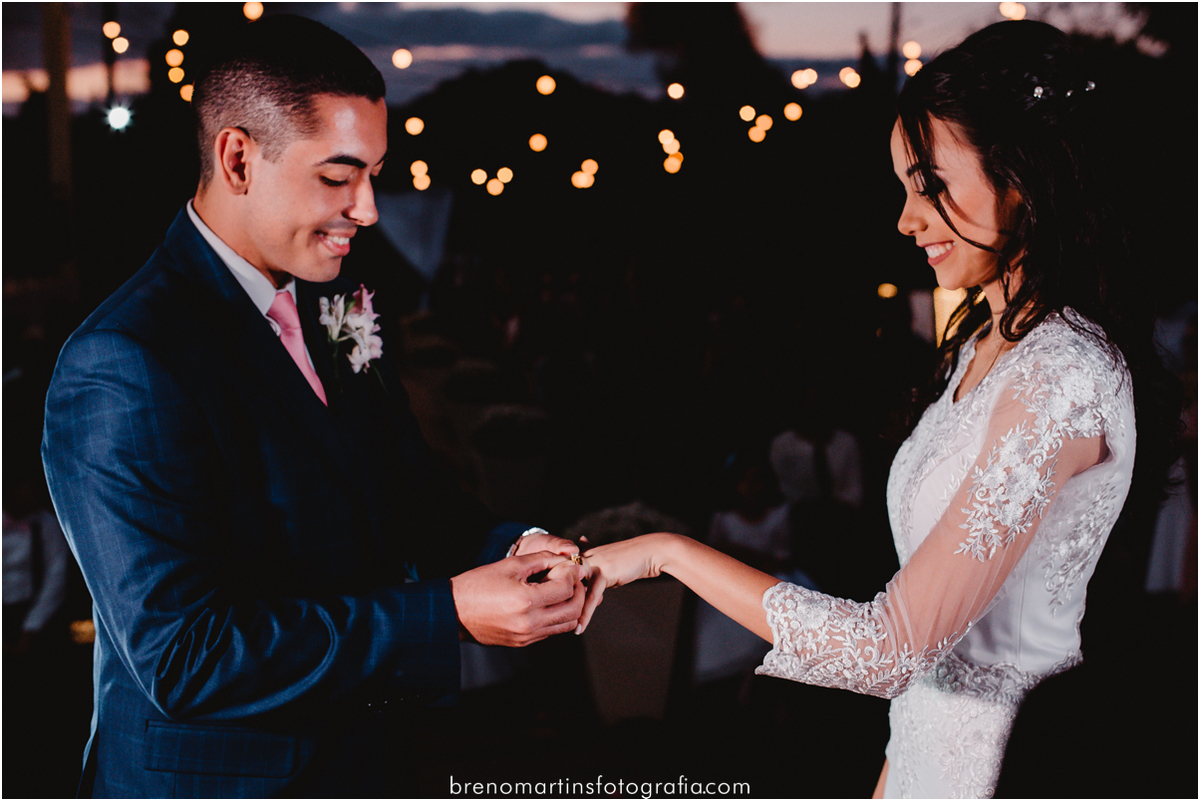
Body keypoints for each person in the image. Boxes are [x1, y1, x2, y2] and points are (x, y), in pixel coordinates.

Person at [577, 21, 1176, 799]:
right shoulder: (984, 346)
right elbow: (922, 668)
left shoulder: (1061, 375)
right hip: (922, 756)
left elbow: (887, 647)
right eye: (904, 187)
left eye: (930, 184)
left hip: (1009, 768)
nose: (907, 217)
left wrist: (667, 552)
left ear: (1021, 179)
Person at [41, 15, 585, 798]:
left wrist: (519, 544)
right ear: (237, 157)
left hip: (366, 759)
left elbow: (404, 492)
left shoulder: (340, 304)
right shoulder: (123, 361)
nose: (367, 208)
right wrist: (448, 612)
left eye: (374, 172)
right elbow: (183, 657)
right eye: (337, 176)